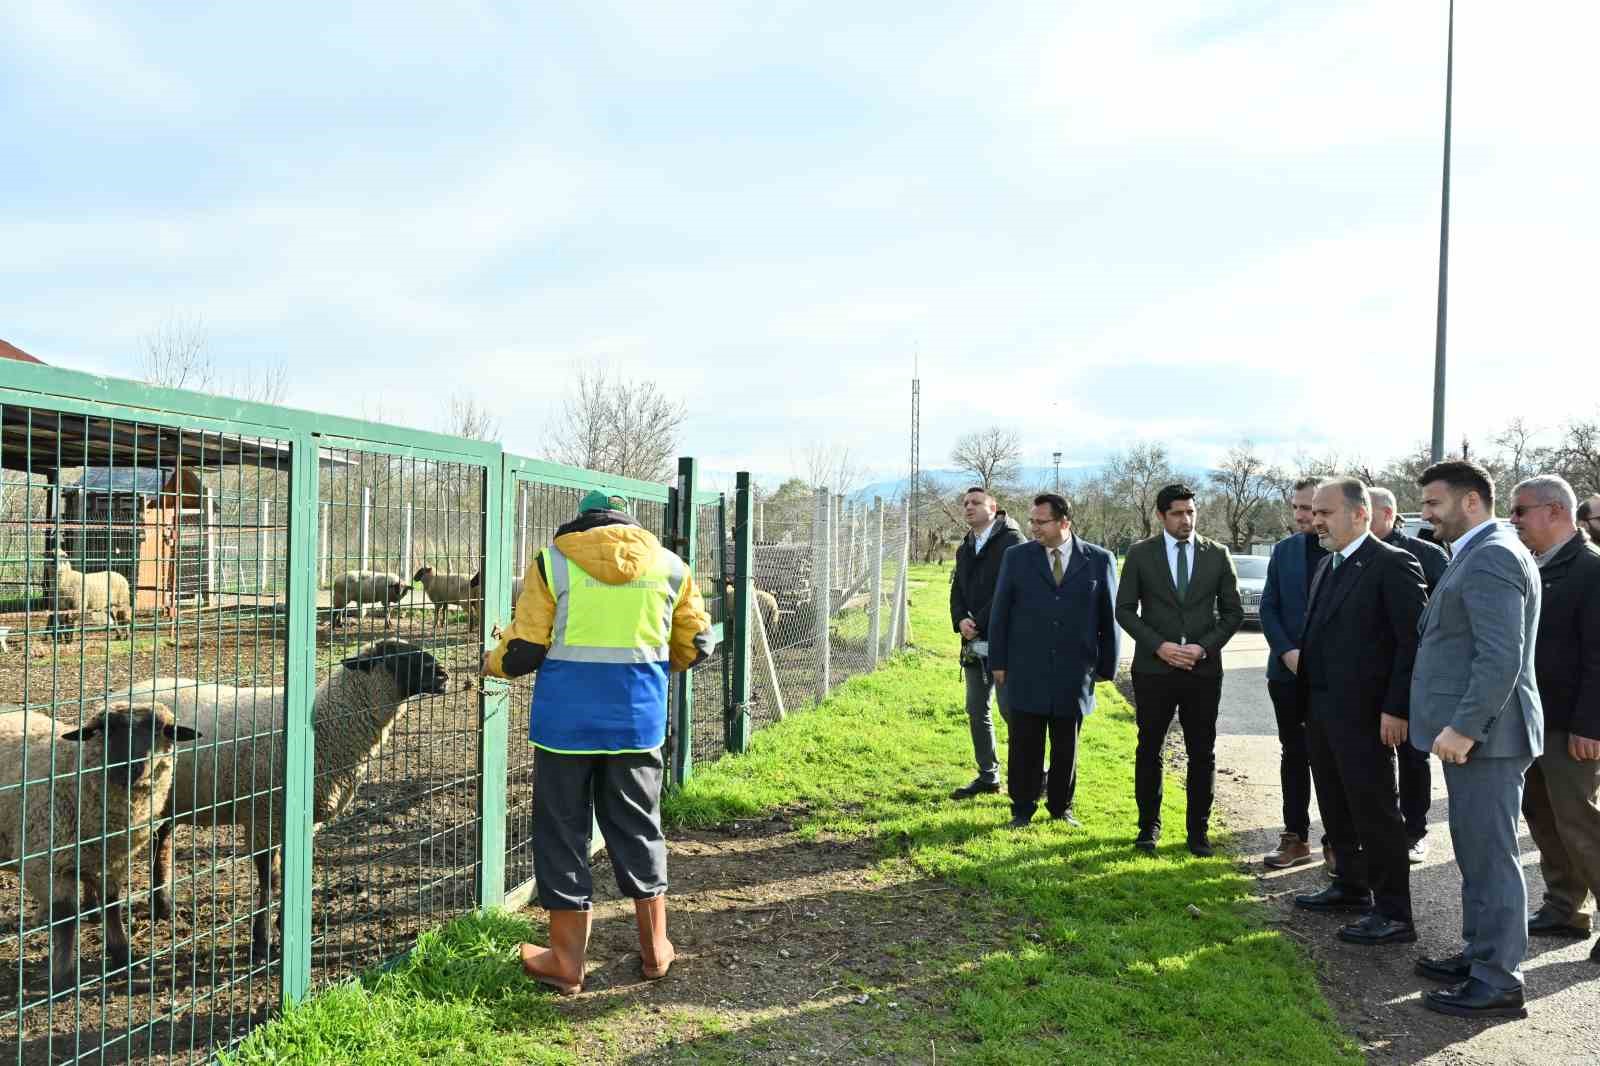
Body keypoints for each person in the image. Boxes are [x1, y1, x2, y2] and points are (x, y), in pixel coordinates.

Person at [481, 489, 714, 994]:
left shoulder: (552, 563)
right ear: (628, 523)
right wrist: (649, 674)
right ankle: (655, 951)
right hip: (637, 724)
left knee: (562, 833)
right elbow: (697, 645)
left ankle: (566, 962)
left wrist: (491, 662)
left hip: (565, 729)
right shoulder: (672, 566)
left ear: (579, 524)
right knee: (638, 826)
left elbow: (523, 650)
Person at [1410, 460, 1542, 1019]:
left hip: (1487, 737)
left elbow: (1500, 656)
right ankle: (1479, 955)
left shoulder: (1491, 555)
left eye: (1434, 503)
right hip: (1477, 737)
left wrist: (1464, 728)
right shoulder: (1480, 551)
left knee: (1492, 857)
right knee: (1474, 849)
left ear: (1470, 502)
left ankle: (1498, 981)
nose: (1426, 514)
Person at [1289, 479, 1426, 945]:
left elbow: (1412, 644)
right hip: (1324, 712)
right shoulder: (1329, 564)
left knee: (1376, 813)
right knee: (1335, 804)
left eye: (1326, 512)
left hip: (1370, 718)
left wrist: (1397, 708)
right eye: (1314, 512)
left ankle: (1394, 914)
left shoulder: (1393, 564)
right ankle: (1351, 886)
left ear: (1361, 514)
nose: (1316, 520)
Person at [1115, 483, 1244, 856]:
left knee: (1202, 751)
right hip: (1154, 670)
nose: (1186, 519)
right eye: (1177, 513)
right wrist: (1160, 645)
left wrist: (1203, 648)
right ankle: (1148, 828)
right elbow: (1125, 609)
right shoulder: (1141, 555)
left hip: (1203, 671)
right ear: (1161, 515)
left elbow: (1233, 612)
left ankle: (1198, 832)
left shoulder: (1217, 554)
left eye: (1190, 512)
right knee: (1149, 748)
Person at [1507, 475, 1600, 964]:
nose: (1514, 520)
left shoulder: (1590, 568)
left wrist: (1591, 724)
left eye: (1521, 511)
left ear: (1555, 512)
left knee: (1581, 822)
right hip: (1535, 720)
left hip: (1572, 726)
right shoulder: (1535, 565)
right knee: (1543, 818)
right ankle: (1565, 908)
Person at [987, 493, 1119, 828]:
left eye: (1040, 521)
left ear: (1064, 523)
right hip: (1025, 667)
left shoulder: (1099, 560)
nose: (1033, 527)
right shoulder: (1017, 558)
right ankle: (1022, 807)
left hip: (1074, 672)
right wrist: (998, 661)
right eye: (1031, 521)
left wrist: (1107, 666)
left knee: (1066, 745)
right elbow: (1000, 613)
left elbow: (1109, 617)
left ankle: (1061, 807)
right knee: (1024, 743)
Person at [1371, 486, 1449, 863]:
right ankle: (1378, 831)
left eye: (1363, 512)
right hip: (1369, 678)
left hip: (1415, 676)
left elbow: (1442, 618)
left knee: (1414, 755)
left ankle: (1415, 830)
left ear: (1386, 514)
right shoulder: (1352, 556)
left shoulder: (1426, 555)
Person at [1258, 476, 1327, 869]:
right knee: (1294, 754)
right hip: (1286, 675)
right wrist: (1287, 652)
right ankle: (1295, 837)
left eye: (1310, 508)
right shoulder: (1284, 551)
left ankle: (1338, 842)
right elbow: (1269, 607)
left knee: (1333, 757)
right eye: (1297, 508)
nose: (1302, 516)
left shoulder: (1349, 553)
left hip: (1334, 679)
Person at [948, 486, 1025, 799]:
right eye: (965, 503)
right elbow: (957, 590)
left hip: (1006, 641)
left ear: (994, 507)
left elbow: (1008, 592)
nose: (968, 507)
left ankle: (1038, 773)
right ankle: (988, 776)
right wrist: (960, 621)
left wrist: (977, 622)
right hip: (973, 643)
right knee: (976, 708)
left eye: (976, 502)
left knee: (1012, 710)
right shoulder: (965, 545)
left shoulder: (1014, 542)